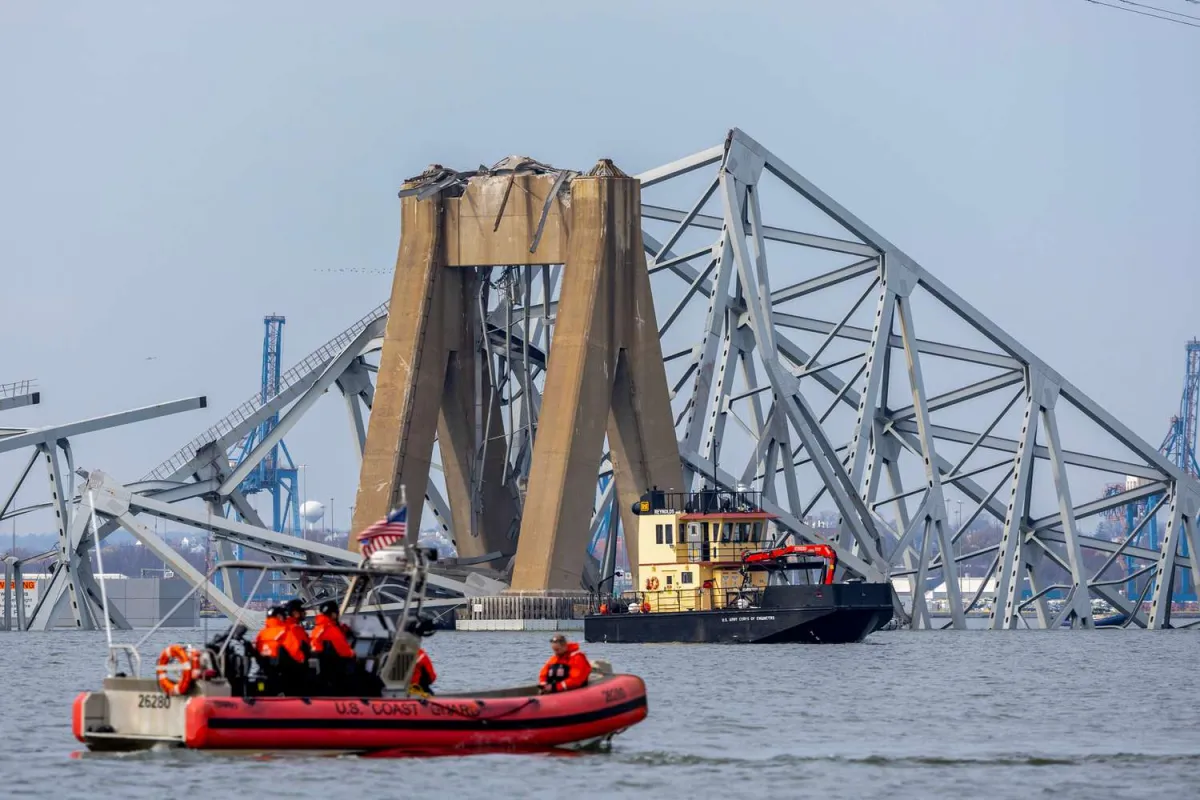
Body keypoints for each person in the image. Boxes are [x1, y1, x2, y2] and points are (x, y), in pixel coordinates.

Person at [310, 600, 356, 695]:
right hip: (334, 671)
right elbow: (344, 651)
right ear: (333, 614)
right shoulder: (331, 629)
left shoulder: (319, 628)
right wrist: (354, 655)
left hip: (324, 669)